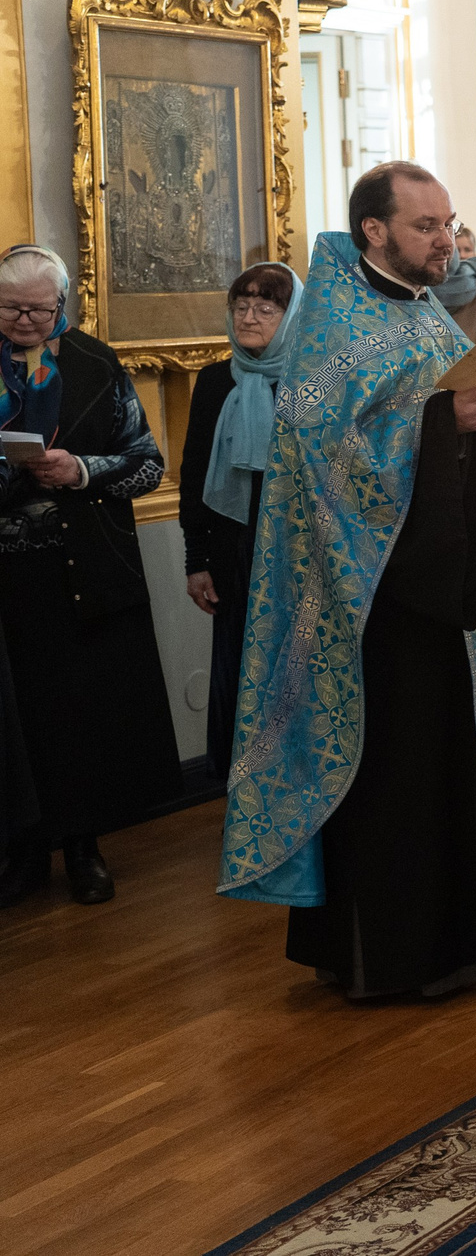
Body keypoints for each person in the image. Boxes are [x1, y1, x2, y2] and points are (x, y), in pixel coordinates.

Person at [221, 163, 476, 995]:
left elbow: (448, 407)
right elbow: (322, 447)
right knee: (400, 771)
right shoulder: (333, 320)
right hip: (372, 590)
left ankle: (469, 939)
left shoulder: (420, 310)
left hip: (450, 576)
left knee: (453, 757)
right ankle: (395, 955)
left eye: (448, 223)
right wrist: (446, 417)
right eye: (425, 227)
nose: (445, 240)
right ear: (375, 230)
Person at [0, 244, 182, 908]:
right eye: (10, 307)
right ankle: (24, 852)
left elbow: (146, 466)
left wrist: (78, 470)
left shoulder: (94, 362)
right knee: (18, 722)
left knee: (79, 717)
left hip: (81, 570)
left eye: (38, 308)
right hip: (8, 578)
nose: (24, 319)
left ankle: (83, 849)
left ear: (62, 305)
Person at [179, 262, 301, 792]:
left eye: (265, 308)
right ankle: (243, 788)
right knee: (238, 665)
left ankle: (296, 781)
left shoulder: (311, 377)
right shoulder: (213, 379)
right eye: (241, 307)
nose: (249, 317)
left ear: (291, 314)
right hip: (233, 552)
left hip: (298, 550)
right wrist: (195, 560)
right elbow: (192, 473)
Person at [431, 224, 476, 341]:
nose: (462, 255)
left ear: (475, 252)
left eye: (467, 250)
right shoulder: (416, 297)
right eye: (457, 250)